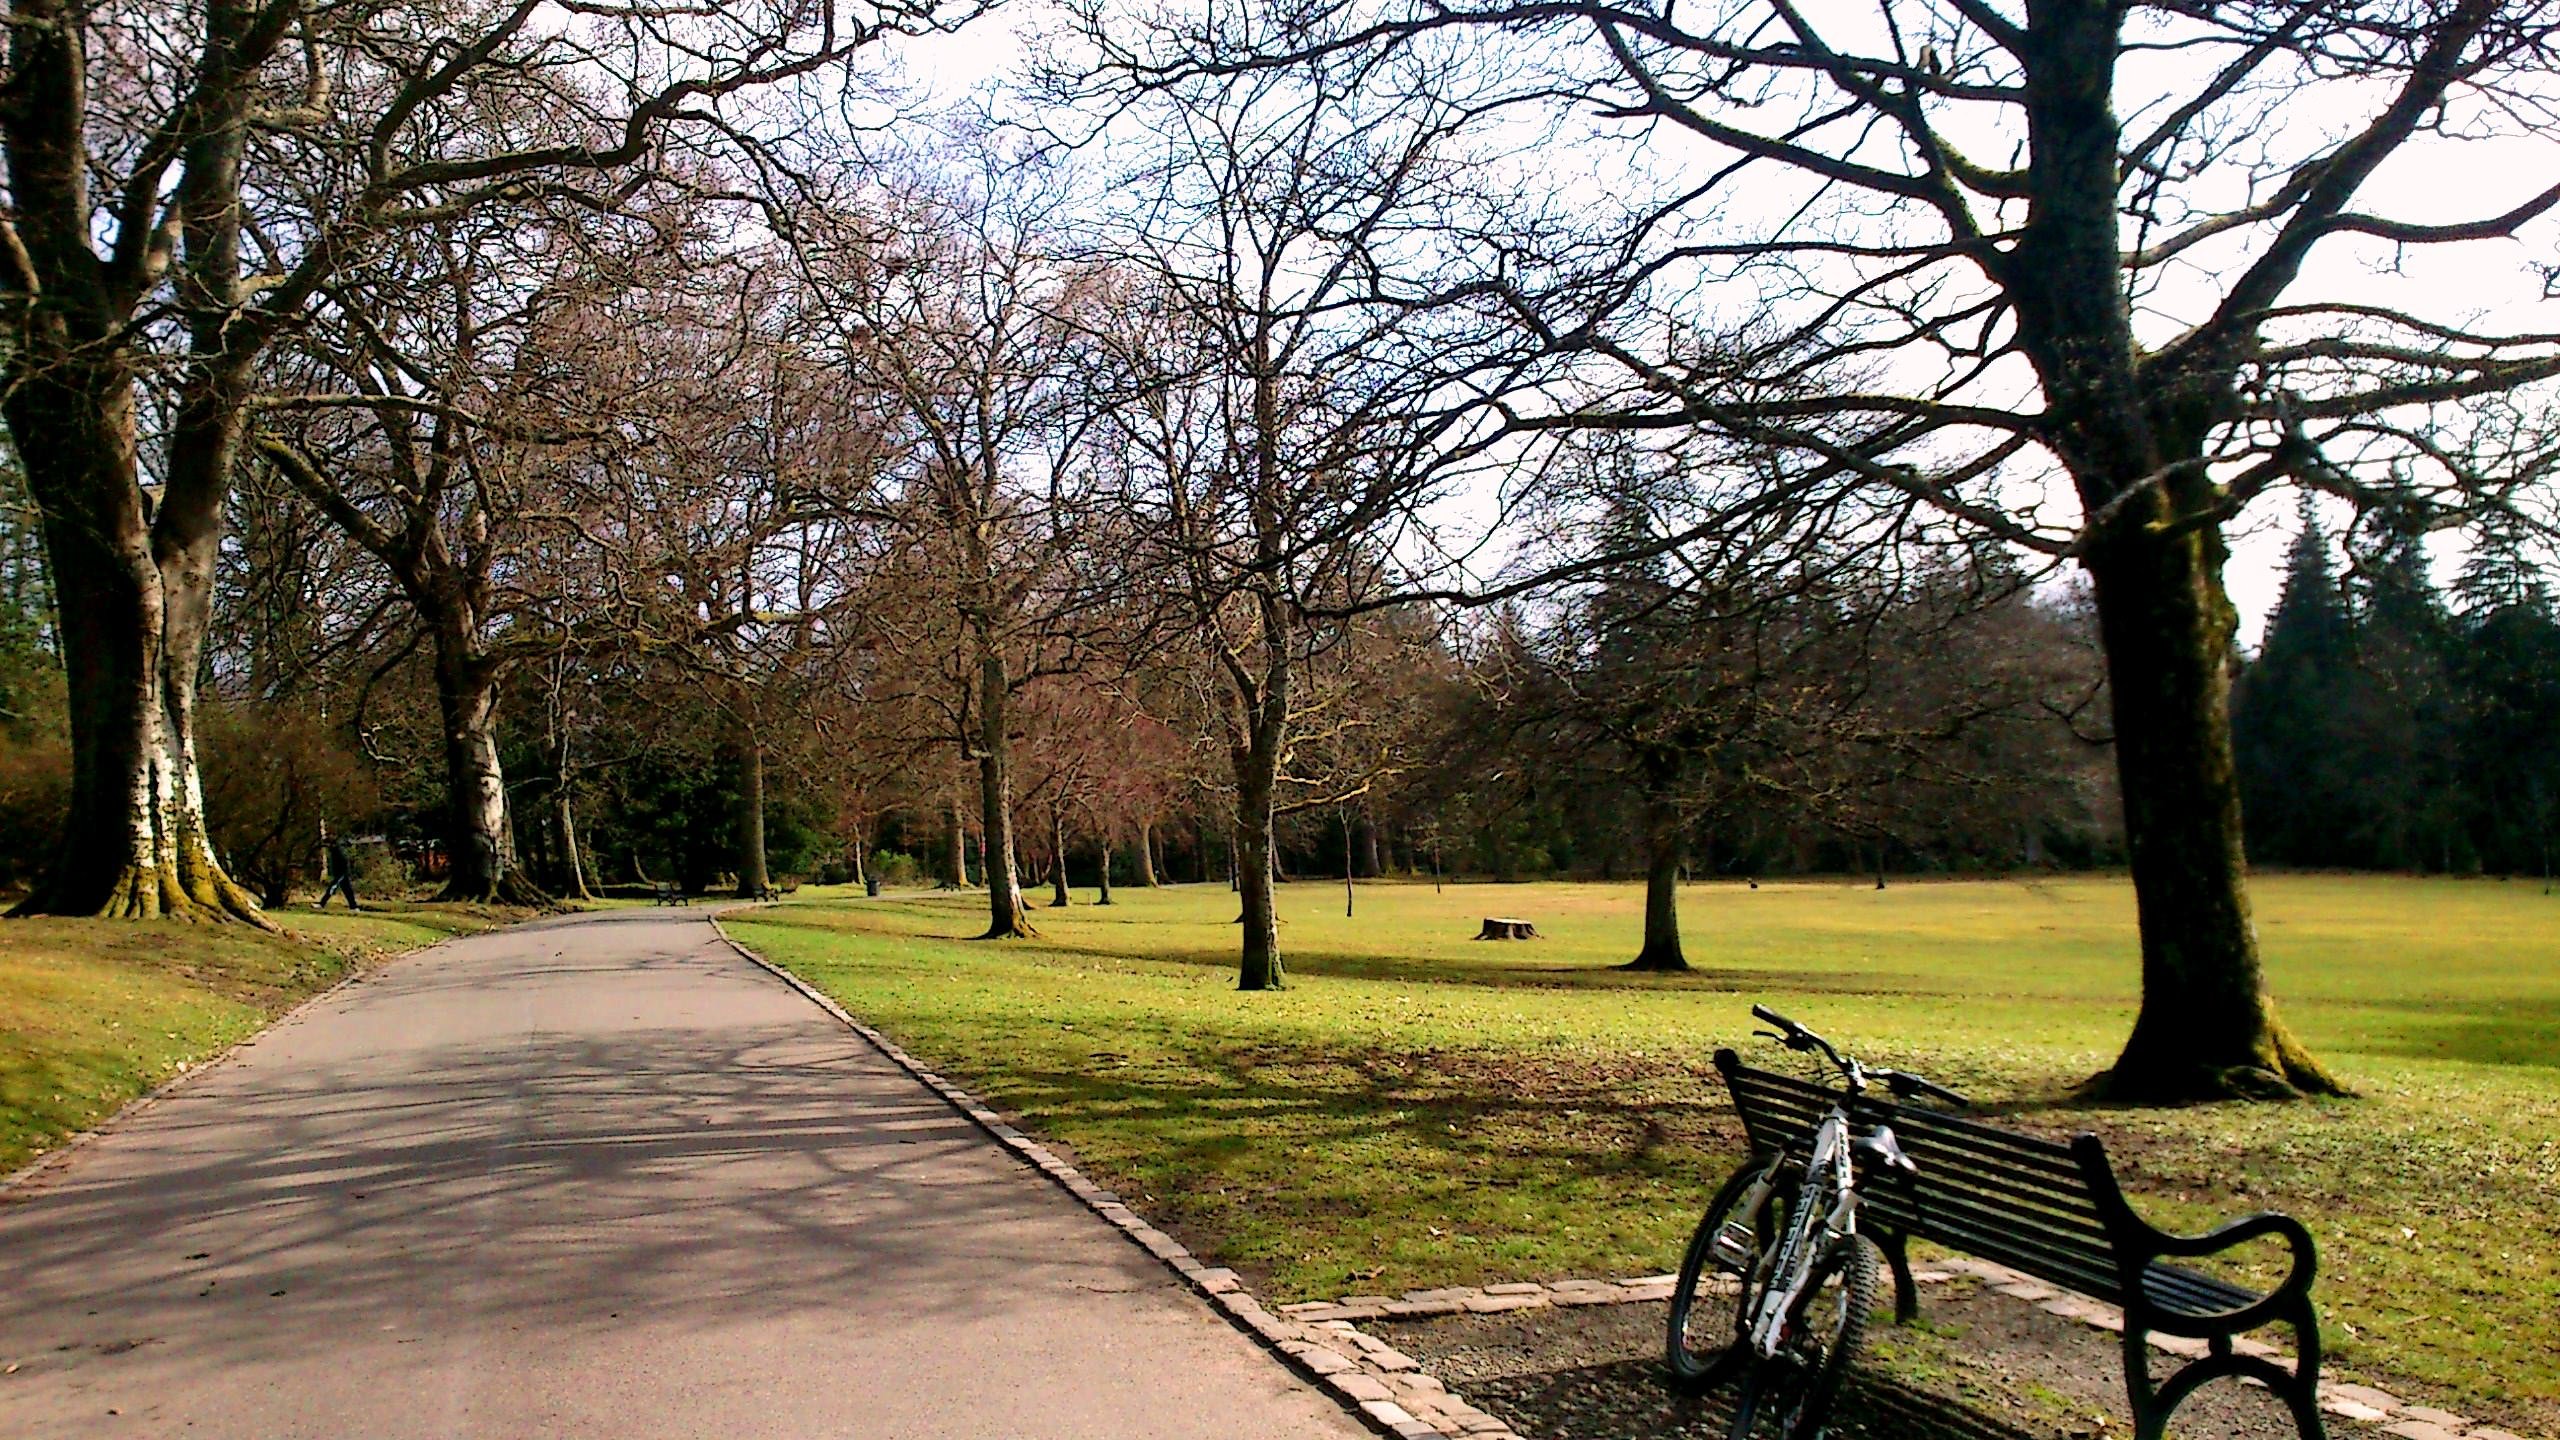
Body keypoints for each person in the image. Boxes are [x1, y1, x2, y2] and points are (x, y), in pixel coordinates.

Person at [319, 835, 360, 910]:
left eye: (327, 844)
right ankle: (354, 907)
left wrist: (342, 872)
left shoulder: (338, 850)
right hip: (341, 873)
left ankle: (322, 904)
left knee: (332, 888)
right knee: (347, 890)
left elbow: (344, 861)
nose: (326, 847)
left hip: (341, 873)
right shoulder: (335, 850)